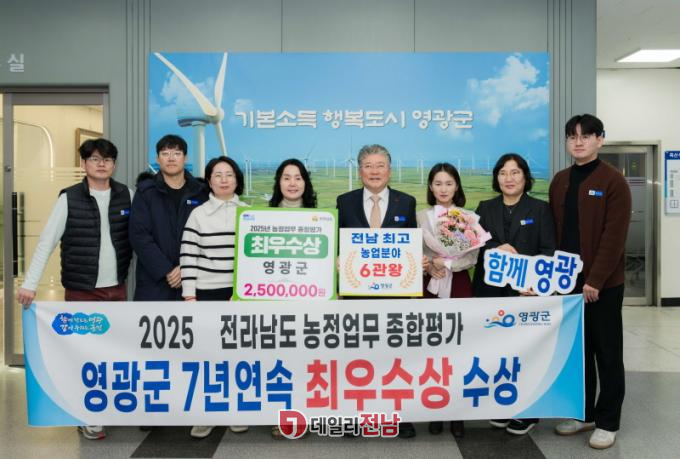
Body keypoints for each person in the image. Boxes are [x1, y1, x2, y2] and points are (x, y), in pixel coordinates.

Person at [17, 138, 133, 440]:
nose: (101, 164)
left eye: (107, 159)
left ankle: (107, 407)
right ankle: (88, 415)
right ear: (83, 164)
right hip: (82, 291)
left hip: (117, 290)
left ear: (114, 164)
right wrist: (29, 284)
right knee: (84, 353)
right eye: (94, 158)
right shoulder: (68, 198)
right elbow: (47, 242)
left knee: (112, 352)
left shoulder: (126, 195)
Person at [549, 114, 631, 450]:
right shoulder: (560, 180)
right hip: (568, 283)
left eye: (585, 136)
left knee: (607, 352)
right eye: (572, 136)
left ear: (600, 139)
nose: (578, 142)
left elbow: (615, 236)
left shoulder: (613, 180)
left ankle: (608, 421)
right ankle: (584, 414)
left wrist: (595, 278)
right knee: (577, 354)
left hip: (603, 285)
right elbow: (554, 233)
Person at [336, 144, 419, 439]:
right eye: (368, 166)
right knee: (357, 358)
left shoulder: (406, 202)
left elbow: (411, 245)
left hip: (394, 296)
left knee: (395, 357)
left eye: (380, 165)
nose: (374, 171)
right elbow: (338, 244)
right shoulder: (344, 202)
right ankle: (355, 416)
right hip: (356, 295)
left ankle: (399, 416)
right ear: (360, 171)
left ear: (390, 170)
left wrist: (417, 261)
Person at [472, 153, 556, 435]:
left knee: (526, 353)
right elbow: (475, 245)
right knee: (497, 351)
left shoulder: (540, 209)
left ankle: (528, 411)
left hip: (525, 294)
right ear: (496, 178)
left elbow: (548, 250)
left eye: (515, 172)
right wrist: (496, 247)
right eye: (503, 173)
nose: (509, 178)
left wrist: (535, 283)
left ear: (525, 177)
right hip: (490, 293)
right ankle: (502, 405)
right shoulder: (485, 207)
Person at [179, 156, 249, 439]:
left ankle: (236, 411)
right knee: (207, 357)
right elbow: (188, 256)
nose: (224, 179)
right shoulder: (198, 214)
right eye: (217, 175)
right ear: (209, 181)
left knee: (238, 357)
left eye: (229, 174)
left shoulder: (249, 213)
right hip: (207, 294)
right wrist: (189, 296)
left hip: (240, 295)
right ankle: (205, 414)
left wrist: (244, 293)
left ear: (237, 179)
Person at [417, 162, 473, 439]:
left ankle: (457, 414)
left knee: (458, 350)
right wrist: (429, 266)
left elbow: (472, 256)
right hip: (429, 287)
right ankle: (435, 410)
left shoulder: (468, 217)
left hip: (459, 284)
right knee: (432, 350)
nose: (443, 189)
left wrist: (446, 263)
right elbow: (413, 252)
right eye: (438, 183)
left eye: (448, 183)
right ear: (431, 186)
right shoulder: (420, 217)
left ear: (456, 186)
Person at [268, 158, 316, 439]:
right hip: (275, 305)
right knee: (279, 363)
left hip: (309, 305)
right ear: (279, 182)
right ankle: (279, 416)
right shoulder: (263, 218)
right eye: (286, 177)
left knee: (306, 362)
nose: (292, 183)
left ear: (305, 183)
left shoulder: (321, 218)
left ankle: (303, 415)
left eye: (298, 177)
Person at [129, 134, 208, 301]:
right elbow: (139, 235)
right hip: (154, 281)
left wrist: (185, 268)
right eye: (165, 154)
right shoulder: (145, 192)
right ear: (158, 159)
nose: (171, 158)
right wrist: (166, 270)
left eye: (177, 153)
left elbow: (208, 237)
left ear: (185, 158)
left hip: (194, 280)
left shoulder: (201, 192)